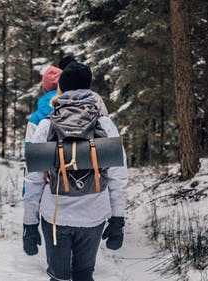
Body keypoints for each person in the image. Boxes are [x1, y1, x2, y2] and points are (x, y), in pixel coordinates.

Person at [23, 62, 128, 281]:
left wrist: (29, 224)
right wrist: (117, 219)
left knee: (59, 278)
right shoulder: (105, 124)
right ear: (90, 87)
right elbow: (118, 176)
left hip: (55, 215)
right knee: (83, 275)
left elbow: (33, 180)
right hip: (93, 215)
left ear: (61, 87)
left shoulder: (46, 125)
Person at [23, 56, 108, 196]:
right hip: (94, 195)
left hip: (55, 195)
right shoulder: (97, 105)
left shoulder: (42, 119)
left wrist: (30, 204)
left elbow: (32, 163)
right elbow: (114, 166)